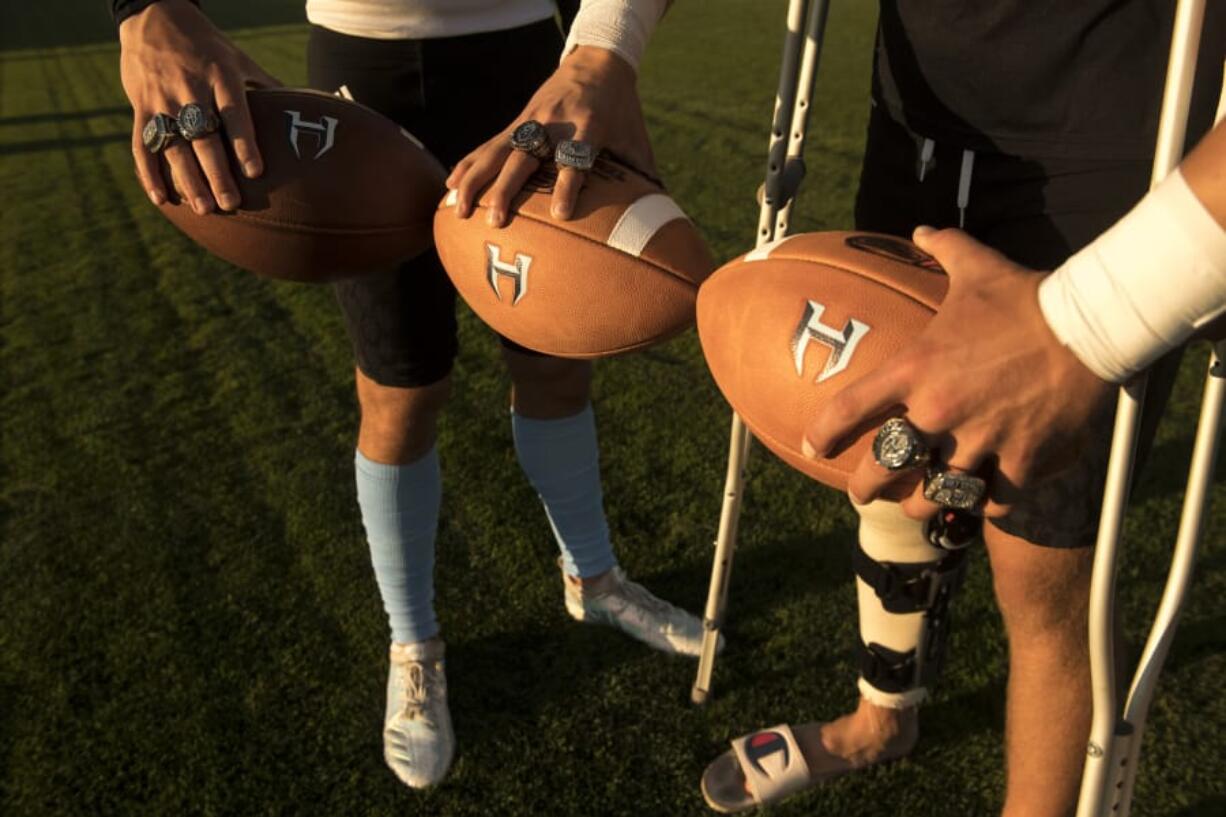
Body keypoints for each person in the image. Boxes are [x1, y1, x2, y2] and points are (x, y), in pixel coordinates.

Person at [450, 1, 1225, 814]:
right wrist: (601, 47)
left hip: (1112, 140)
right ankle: (880, 718)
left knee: (1041, 562)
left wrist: (1092, 321)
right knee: (882, 456)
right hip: (917, 117)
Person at [114, 0, 714, 791]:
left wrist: (606, 44)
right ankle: (413, 640)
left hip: (527, 67)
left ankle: (594, 580)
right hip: (366, 71)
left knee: (555, 366)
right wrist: (142, 9)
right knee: (401, 389)